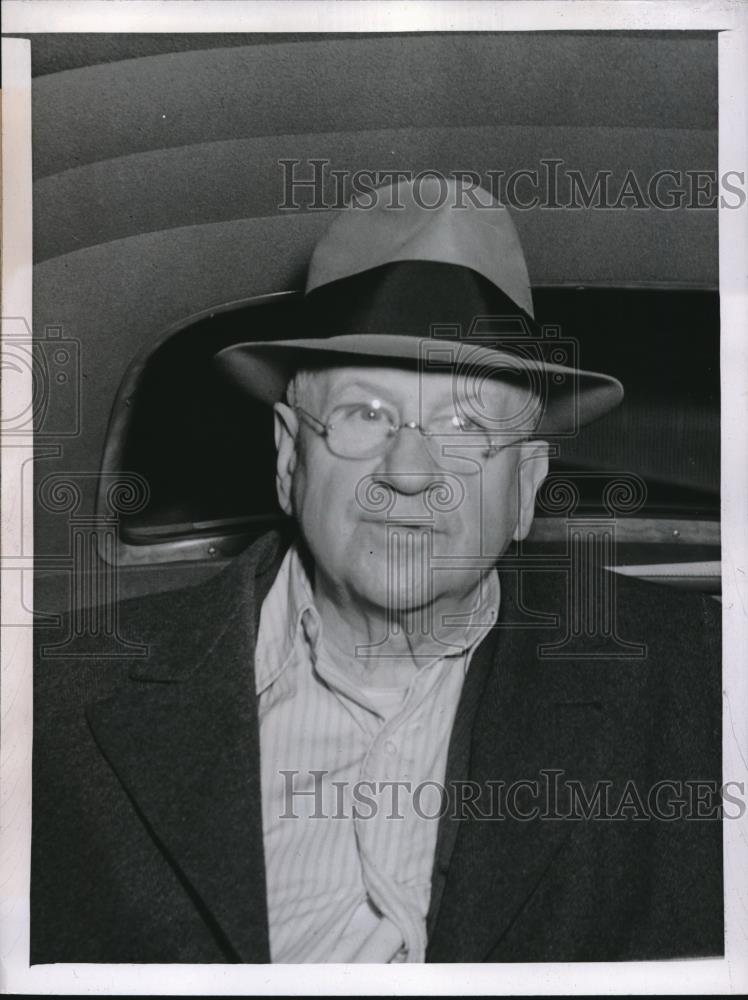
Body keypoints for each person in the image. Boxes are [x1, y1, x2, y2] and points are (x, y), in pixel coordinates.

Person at [31, 180, 722, 964]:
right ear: (291, 457)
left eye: (464, 425)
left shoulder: (705, 685)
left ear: (527, 485)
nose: (410, 471)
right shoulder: (47, 700)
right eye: (366, 414)